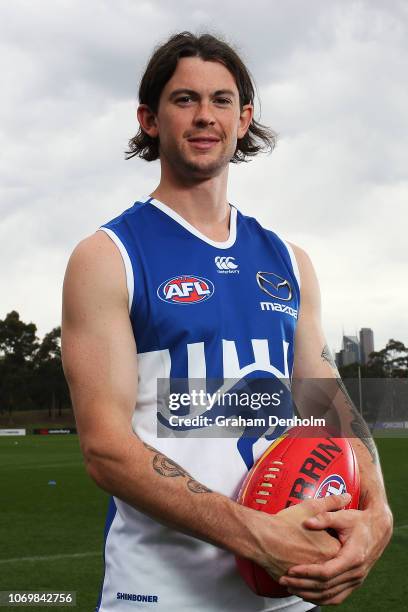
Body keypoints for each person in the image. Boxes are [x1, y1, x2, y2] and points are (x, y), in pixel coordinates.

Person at [61, 32, 393, 612]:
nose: (204, 115)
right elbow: (106, 448)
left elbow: (326, 409)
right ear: (149, 119)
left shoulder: (289, 261)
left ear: (243, 120)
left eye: (221, 101)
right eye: (184, 99)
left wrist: (378, 511)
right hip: (163, 592)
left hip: (291, 587)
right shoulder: (108, 256)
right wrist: (254, 534)